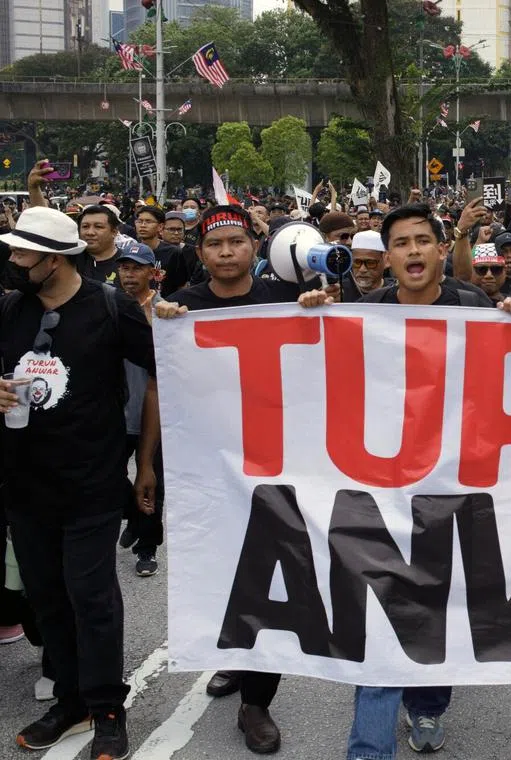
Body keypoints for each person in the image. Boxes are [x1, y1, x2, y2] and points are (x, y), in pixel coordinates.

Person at [344, 203, 511, 760]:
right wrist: (312, 318)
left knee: (434, 610)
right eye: (401, 243)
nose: (414, 252)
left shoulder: (475, 306)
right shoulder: (365, 310)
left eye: (424, 240)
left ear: (442, 249)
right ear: (388, 256)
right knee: (381, 618)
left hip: (454, 487)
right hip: (382, 488)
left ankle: (428, 704)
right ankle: (369, 749)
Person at [158, 205, 325, 755]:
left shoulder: (282, 303)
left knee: (272, 577)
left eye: (235, 242)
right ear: (200, 254)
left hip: (280, 468)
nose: (226, 253)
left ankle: (257, 702)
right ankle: (233, 659)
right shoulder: (184, 309)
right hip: (211, 470)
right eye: (215, 245)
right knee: (222, 571)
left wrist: (316, 316)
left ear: (254, 247)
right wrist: (161, 326)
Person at [0, 207, 160, 760]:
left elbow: (167, 372)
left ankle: (107, 708)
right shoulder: (9, 310)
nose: (14, 260)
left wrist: (146, 464)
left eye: (23, 253)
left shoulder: (111, 308)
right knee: (48, 599)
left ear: (54, 258)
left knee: (92, 599)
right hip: (24, 488)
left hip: (91, 486)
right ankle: (70, 701)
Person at [114, 242, 164, 577]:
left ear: (152, 273)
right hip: (115, 412)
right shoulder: (107, 305)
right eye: (124, 268)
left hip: (154, 411)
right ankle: (132, 515)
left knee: (152, 481)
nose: (129, 274)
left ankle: (146, 548)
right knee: (111, 478)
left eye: (136, 268)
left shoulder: (167, 310)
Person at [75, 205, 122, 285]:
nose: (90, 232)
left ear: (114, 232)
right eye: (85, 227)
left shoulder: (126, 263)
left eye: (98, 227)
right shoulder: (69, 262)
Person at [349, 230, 388, 297]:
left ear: (386, 261)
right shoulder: (340, 291)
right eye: (357, 263)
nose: (362, 269)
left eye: (370, 263)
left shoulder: (396, 291)